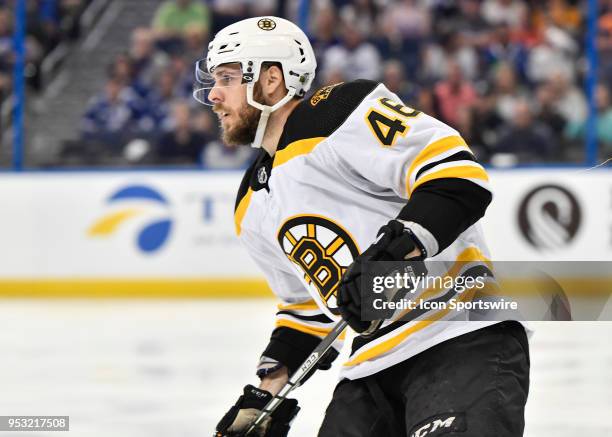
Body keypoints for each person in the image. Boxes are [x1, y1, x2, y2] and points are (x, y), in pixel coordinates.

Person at [195, 17, 529, 437]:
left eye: (226, 77)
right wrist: (264, 396)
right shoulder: (250, 203)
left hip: (459, 336)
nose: (213, 94)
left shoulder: (337, 112)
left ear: (272, 78)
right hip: (370, 370)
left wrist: (394, 253)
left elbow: (457, 176)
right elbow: (308, 312)